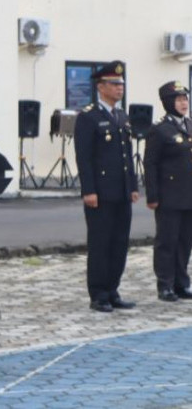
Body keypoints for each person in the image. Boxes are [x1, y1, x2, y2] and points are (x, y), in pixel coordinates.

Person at [73, 60, 139, 313]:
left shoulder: (121, 116)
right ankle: (98, 293)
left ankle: (113, 289)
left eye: (121, 84)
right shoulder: (89, 117)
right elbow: (84, 157)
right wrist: (88, 190)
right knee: (101, 243)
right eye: (114, 84)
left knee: (119, 242)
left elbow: (127, 155)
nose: (119, 88)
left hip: (121, 191)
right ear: (101, 87)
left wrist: (132, 185)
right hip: (99, 192)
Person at [143, 81, 192, 302]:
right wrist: (152, 195)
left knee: (185, 241)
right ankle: (165, 285)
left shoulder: (189, 125)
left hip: (189, 195)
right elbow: (150, 163)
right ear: (168, 103)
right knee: (167, 241)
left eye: (185, 99)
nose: (184, 103)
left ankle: (182, 282)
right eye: (179, 99)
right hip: (169, 195)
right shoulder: (160, 129)